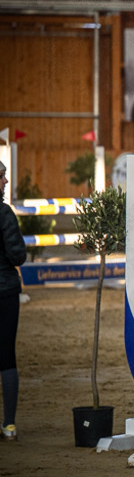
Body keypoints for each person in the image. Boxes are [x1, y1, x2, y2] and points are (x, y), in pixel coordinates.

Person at [0, 159, 26, 441]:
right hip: (4, 291)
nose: (5, 182)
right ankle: (8, 424)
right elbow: (17, 255)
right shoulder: (4, 213)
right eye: (2, 176)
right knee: (6, 355)